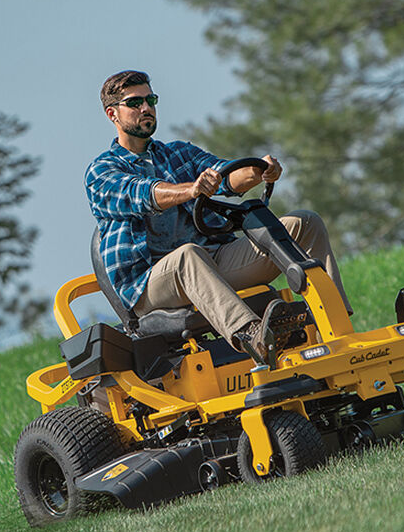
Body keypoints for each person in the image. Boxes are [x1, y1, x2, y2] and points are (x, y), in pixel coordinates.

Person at [85, 70, 349, 367]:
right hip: (149, 285)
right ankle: (256, 339)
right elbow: (143, 194)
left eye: (150, 100)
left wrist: (258, 171)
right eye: (134, 103)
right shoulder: (102, 171)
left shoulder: (179, 153)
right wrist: (191, 189)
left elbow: (225, 175)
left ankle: (337, 324)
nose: (146, 108)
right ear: (113, 114)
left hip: (212, 261)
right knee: (188, 256)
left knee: (304, 222)